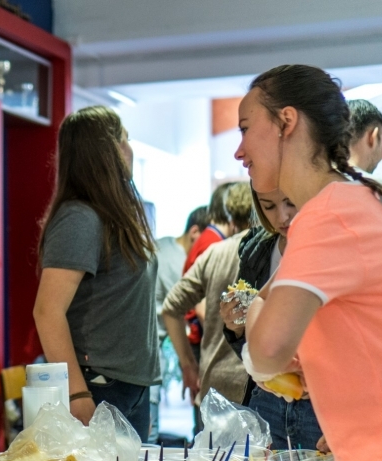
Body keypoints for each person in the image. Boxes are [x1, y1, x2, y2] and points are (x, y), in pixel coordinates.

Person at [239, 64, 382, 461]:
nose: (239, 150)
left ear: (286, 122)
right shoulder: (347, 203)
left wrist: (255, 308)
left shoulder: (330, 214)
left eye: (246, 129)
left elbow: (267, 350)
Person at [33, 105, 160, 441]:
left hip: (128, 386)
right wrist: (77, 393)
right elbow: (47, 311)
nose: (130, 149)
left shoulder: (112, 216)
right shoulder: (81, 217)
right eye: (124, 139)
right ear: (105, 151)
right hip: (98, 385)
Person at [220, 186, 323, 451]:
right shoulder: (256, 249)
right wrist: (236, 328)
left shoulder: (326, 243)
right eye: (268, 206)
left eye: (290, 203)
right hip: (267, 396)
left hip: (321, 398)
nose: (282, 217)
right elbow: (251, 343)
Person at [162, 182, 253, 407]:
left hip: (215, 381)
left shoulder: (215, 253)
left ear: (230, 216)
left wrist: (188, 364)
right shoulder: (272, 250)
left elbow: (171, 307)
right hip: (254, 383)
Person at [149, 205, 207, 443]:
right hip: (147, 354)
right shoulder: (180, 262)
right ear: (195, 233)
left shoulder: (161, 245)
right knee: (147, 438)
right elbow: (198, 309)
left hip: (143, 350)